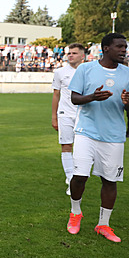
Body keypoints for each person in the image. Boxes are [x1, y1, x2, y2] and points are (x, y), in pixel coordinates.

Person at [66, 33, 129, 243]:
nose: (124, 50)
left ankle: (103, 224)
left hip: (114, 135)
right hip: (86, 132)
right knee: (80, 176)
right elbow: (74, 98)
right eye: (120, 47)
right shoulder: (86, 69)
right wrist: (93, 97)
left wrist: (127, 102)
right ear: (105, 48)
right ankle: (75, 213)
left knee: (110, 180)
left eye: (125, 47)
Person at [51, 43, 85, 195]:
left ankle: (76, 175)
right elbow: (56, 95)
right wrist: (54, 116)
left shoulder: (88, 71)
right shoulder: (59, 72)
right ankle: (70, 179)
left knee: (81, 148)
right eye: (69, 53)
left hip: (83, 115)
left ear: (82, 56)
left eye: (74, 53)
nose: (70, 55)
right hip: (64, 114)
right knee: (66, 146)